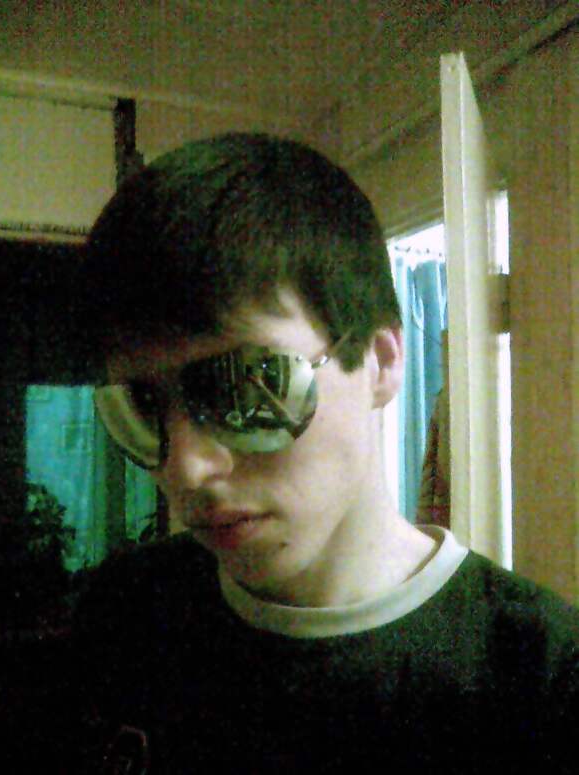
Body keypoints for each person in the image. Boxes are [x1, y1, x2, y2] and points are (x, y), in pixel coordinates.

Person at [74, 132, 578, 773]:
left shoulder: (542, 681)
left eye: (251, 386)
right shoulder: (126, 612)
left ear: (381, 362)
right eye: (141, 406)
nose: (185, 468)